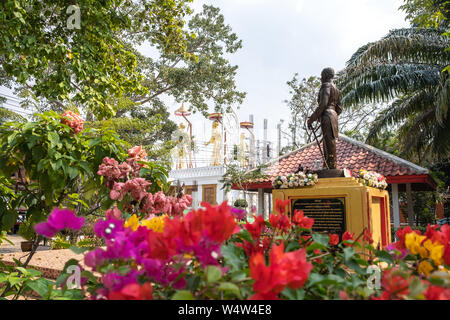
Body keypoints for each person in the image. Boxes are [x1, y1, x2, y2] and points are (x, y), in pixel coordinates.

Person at [307, 67, 342, 169]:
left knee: (328, 140)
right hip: (333, 115)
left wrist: (311, 119)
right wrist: (333, 114)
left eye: (321, 76)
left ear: (325, 76)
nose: (321, 78)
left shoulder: (326, 86)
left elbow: (323, 104)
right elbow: (339, 108)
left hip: (327, 114)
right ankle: (328, 163)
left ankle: (331, 164)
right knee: (329, 139)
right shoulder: (336, 89)